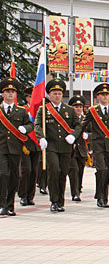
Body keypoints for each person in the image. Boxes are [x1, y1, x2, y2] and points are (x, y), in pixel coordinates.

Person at [35, 79, 82, 213]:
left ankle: (60, 201)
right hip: (51, 146)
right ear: (49, 95)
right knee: (54, 170)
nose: (57, 96)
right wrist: (41, 137)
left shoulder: (69, 110)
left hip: (66, 147)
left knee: (62, 173)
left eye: (59, 93)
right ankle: (54, 200)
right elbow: (38, 125)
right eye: (54, 93)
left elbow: (78, 125)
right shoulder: (43, 109)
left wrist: (74, 135)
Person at [80, 83, 109, 208]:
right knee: (101, 169)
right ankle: (99, 196)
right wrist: (75, 135)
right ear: (98, 97)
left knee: (107, 171)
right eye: (102, 95)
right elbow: (83, 124)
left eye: (107, 94)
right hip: (98, 145)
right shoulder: (92, 111)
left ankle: (104, 197)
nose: (105, 97)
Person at [0, 77, 33, 216]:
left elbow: (31, 125)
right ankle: (2, 204)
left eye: (12, 92)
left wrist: (25, 128)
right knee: (3, 174)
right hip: (1, 147)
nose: (10, 94)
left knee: (14, 176)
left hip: (15, 147)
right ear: (2, 93)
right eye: (7, 91)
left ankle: (10, 204)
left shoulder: (21, 111)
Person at [18, 87, 41, 206]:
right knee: (26, 169)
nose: (34, 99)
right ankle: (22, 195)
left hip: (36, 144)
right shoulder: (22, 110)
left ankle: (30, 196)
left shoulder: (40, 110)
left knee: (34, 171)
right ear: (27, 98)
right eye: (31, 96)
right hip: (25, 143)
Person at [68, 95, 89, 201]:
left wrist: (88, 135)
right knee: (73, 171)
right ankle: (75, 192)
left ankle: (78, 188)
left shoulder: (86, 120)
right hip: (71, 149)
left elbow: (92, 131)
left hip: (82, 149)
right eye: (76, 106)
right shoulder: (68, 119)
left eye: (80, 106)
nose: (78, 108)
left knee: (80, 171)